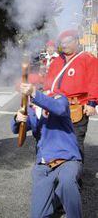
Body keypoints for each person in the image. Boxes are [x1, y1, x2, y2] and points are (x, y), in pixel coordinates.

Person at [11, 83, 82, 218]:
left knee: (67, 183)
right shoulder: (31, 111)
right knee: (38, 214)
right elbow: (17, 129)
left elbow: (60, 109)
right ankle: (55, 200)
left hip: (67, 159)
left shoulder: (59, 100)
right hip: (44, 164)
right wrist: (17, 118)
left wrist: (35, 93)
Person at [43, 30, 98, 160]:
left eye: (68, 42)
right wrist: (46, 103)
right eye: (62, 42)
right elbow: (48, 84)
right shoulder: (56, 61)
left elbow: (94, 81)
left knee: (75, 142)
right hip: (56, 107)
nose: (64, 45)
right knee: (57, 140)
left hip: (77, 107)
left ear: (77, 41)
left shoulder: (88, 58)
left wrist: (91, 103)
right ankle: (60, 172)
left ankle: (75, 175)